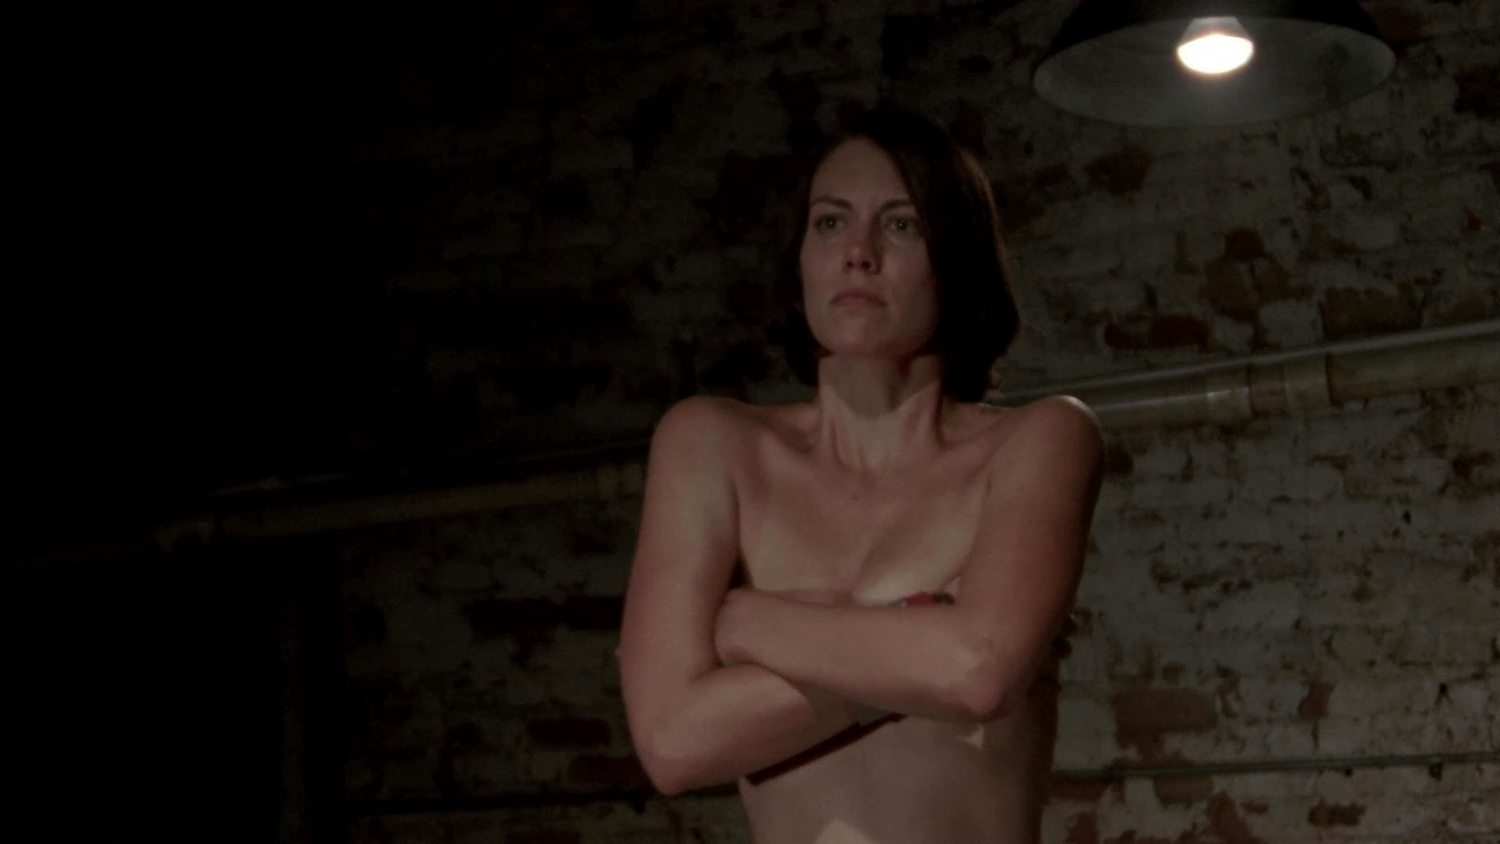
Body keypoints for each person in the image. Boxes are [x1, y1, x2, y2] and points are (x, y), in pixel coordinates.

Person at [617, 108, 1103, 843]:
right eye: (830, 222)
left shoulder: (1040, 440)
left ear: (955, 256)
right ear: (799, 262)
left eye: (901, 225)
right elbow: (674, 743)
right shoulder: (712, 445)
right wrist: (916, 640)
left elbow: (976, 672)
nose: (859, 253)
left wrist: (745, 622)